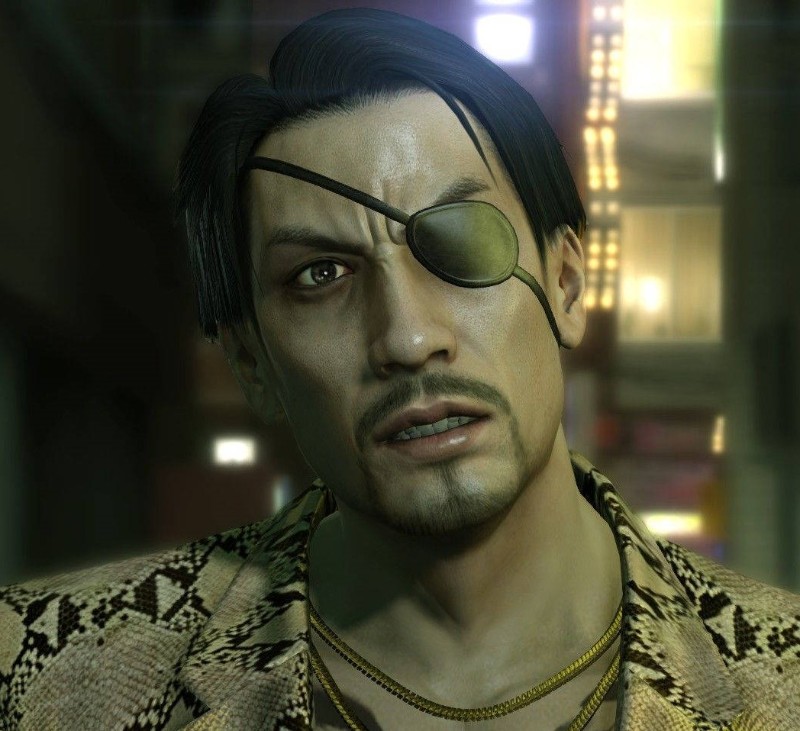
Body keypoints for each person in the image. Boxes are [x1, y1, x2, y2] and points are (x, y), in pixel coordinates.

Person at [1, 8, 799, 730]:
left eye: (460, 243)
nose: (409, 338)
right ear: (252, 362)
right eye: (320, 275)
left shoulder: (782, 677)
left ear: (565, 285)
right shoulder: (45, 677)